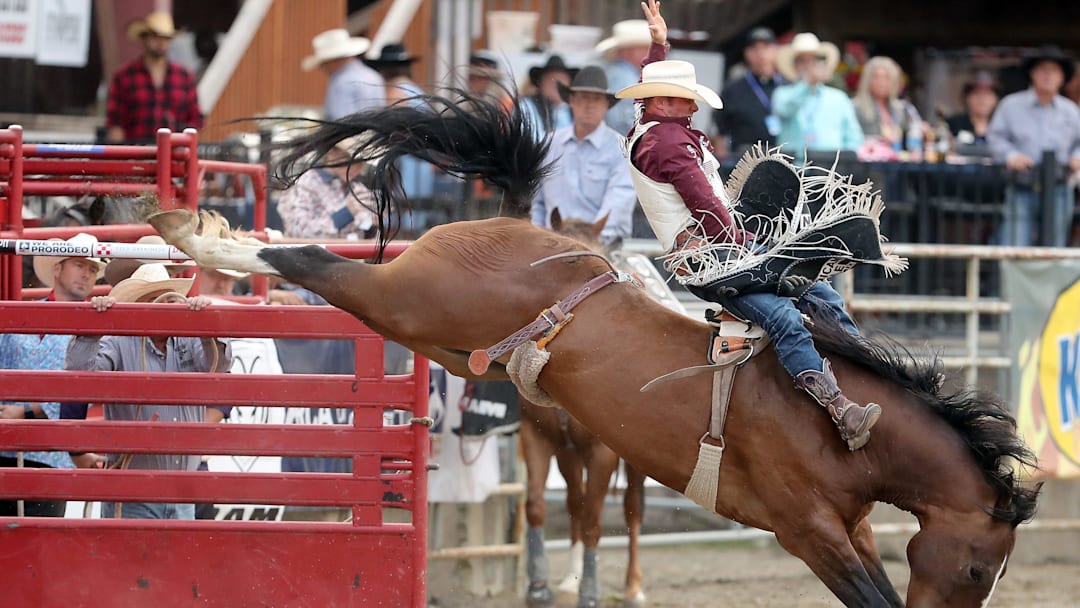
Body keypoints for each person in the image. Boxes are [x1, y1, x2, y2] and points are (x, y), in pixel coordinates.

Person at [615, 0, 880, 451]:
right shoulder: (667, 145)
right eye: (684, 100)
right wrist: (753, 246)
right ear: (661, 101)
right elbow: (706, 207)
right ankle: (839, 407)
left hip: (717, 251)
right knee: (784, 316)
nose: (692, 108)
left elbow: (708, 204)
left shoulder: (652, 127)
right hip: (709, 258)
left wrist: (659, 46)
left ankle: (871, 374)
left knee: (821, 292)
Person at [64, 263, 231, 520]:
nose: (162, 308)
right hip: (134, 492)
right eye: (153, 301)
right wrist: (91, 329)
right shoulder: (119, 340)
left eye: (166, 300)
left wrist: (208, 324)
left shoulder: (190, 338)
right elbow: (83, 376)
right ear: (139, 304)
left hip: (181, 491)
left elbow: (218, 366)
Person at [0, 235, 105, 517]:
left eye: (93, 269)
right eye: (80, 265)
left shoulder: (93, 331)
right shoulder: (21, 315)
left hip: (49, 456)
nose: (87, 274)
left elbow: (81, 394)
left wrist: (25, 412)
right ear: (58, 269)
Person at [530, 66, 636, 246]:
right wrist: (537, 235)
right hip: (550, 244)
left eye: (596, 99)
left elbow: (619, 200)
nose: (590, 105)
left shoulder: (620, 149)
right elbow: (536, 200)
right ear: (571, 100)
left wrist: (591, 240)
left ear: (606, 105)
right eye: (584, 97)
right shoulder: (550, 144)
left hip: (600, 245)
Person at [988, 47, 1080, 247]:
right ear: (1032, 74)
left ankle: (1051, 280)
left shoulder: (1071, 111)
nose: (1048, 75)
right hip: (1022, 182)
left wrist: (1077, 157)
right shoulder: (1011, 105)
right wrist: (1011, 155)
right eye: (1043, 70)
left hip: (1059, 185)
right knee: (1015, 242)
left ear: (1062, 78)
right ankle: (1012, 280)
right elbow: (995, 138)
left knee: (1054, 247)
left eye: (1054, 71)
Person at [106, 12, 203, 143]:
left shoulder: (184, 77)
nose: (161, 42)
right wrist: (119, 158)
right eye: (155, 37)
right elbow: (115, 123)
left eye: (166, 38)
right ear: (144, 38)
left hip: (174, 154)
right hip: (135, 153)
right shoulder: (125, 75)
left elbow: (194, 120)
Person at [771, 32, 863, 163]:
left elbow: (854, 137)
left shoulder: (839, 98)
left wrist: (842, 164)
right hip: (793, 167)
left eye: (814, 59)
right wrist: (806, 84)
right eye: (802, 60)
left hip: (831, 170)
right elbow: (784, 110)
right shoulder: (782, 94)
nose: (808, 65)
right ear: (795, 65)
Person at [364, 43, 435, 203]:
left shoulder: (396, 93)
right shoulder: (417, 91)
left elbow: (390, 128)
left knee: (399, 210)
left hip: (404, 160)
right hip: (421, 159)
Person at [275, 138, 379, 240]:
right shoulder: (306, 183)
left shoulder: (358, 188)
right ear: (331, 153)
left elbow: (367, 235)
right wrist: (347, 213)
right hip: (313, 256)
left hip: (351, 256)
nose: (356, 167)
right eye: (349, 159)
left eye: (360, 161)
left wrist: (374, 222)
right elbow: (297, 231)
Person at [714, 27, 787, 159]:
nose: (760, 54)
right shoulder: (732, 89)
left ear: (776, 51)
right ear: (746, 53)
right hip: (744, 159)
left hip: (785, 157)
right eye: (754, 49)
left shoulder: (788, 86)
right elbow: (720, 130)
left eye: (766, 47)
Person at [302, 28, 386, 120]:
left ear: (333, 61)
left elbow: (339, 120)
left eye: (323, 64)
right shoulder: (373, 75)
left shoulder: (341, 81)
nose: (323, 69)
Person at [851, 56, 923, 153]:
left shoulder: (902, 109)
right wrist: (877, 140)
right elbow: (850, 139)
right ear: (868, 80)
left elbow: (913, 135)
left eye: (886, 77)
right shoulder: (855, 107)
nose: (881, 83)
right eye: (876, 77)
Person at [597, 19, 654, 135]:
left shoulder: (618, 74)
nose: (650, 52)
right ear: (629, 51)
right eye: (645, 48)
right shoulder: (624, 79)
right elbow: (620, 122)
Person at [520, 55, 576, 140]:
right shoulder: (527, 105)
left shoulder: (575, 107)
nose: (556, 85)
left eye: (562, 79)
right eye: (550, 79)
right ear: (541, 84)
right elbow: (532, 139)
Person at [947, 71, 1000, 148]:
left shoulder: (1002, 125)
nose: (982, 99)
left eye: (987, 94)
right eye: (976, 93)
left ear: (996, 99)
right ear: (966, 98)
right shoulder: (953, 123)